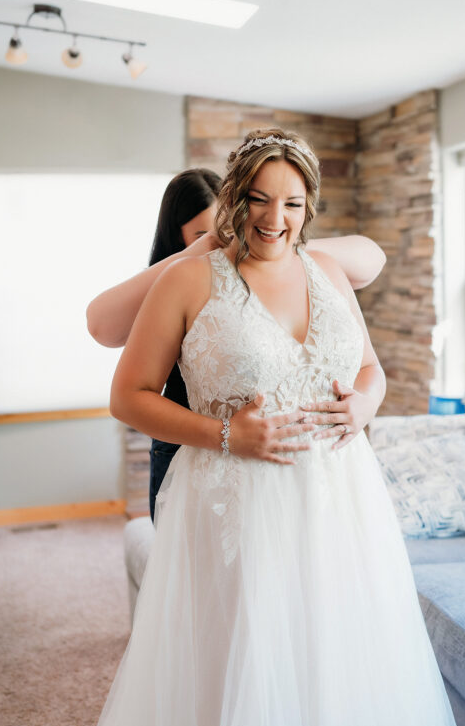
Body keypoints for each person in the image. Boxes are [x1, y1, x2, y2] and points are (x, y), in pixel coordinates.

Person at [0, 128, 465, 726]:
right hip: (235, 502)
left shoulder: (330, 273)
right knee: (241, 669)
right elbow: (128, 394)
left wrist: (367, 405)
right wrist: (224, 435)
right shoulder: (188, 278)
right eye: (259, 199)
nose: (275, 218)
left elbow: (370, 370)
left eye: (293, 203)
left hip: (340, 502)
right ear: (232, 200)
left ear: (309, 206)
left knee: (332, 663)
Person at [86, 165, 388, 520]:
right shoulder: (179, 280)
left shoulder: (286, 252)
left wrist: (270, 244)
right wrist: (205, 248)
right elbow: (101, 325)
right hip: (191, 443)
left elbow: (371, 258)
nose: (229, 235)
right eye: (206, 232)